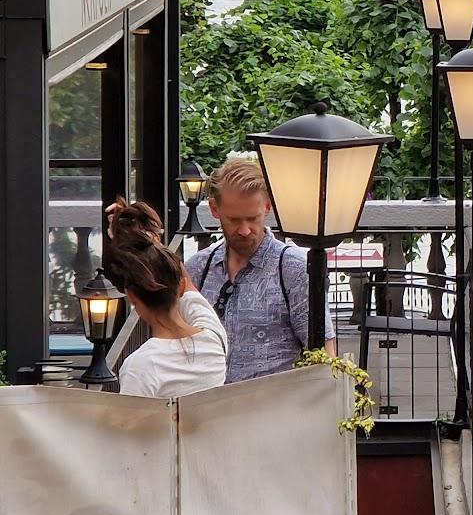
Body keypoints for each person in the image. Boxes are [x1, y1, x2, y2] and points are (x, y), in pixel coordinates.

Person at [187, 156, 335, 383]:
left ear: (268, 207)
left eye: (252, 219)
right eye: (234, 220)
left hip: (275, 402)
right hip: (207, 401)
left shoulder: (293, 269)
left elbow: (324, 358)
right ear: (215, 209)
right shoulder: (198, 268)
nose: (244, 230)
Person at [104, 199, 227, 398]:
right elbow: (187, 282)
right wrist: (151, 243)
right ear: (181, 287)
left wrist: (135, 239)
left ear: (132, 297)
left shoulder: (141, 366)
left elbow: (130, 418)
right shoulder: (213, 339)